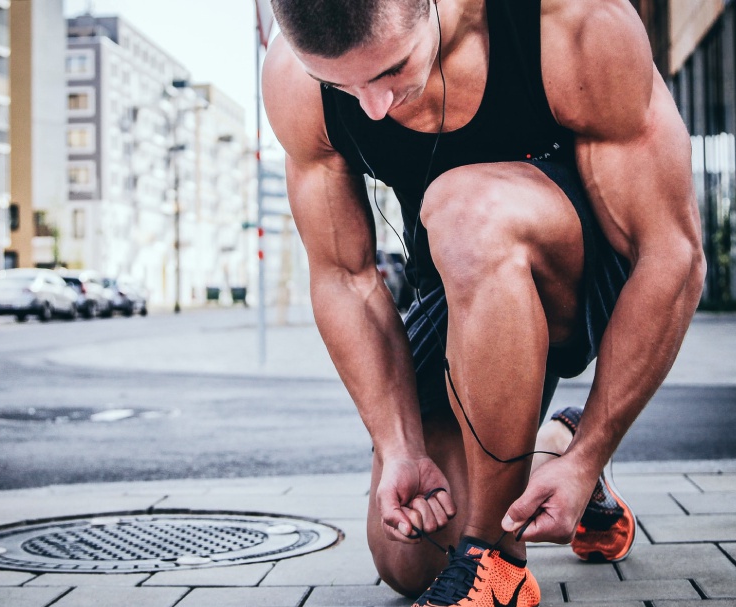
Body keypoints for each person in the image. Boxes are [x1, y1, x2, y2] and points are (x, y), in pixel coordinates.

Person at [261, 0, 706, 606]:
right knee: (409, 557)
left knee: (465, 207)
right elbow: (344, 276)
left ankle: (498, 565)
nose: (371, 106)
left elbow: (672, 255)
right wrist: (399, 445)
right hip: (460, 287)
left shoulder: (572, 22)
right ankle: (550, 443)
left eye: (392, 70)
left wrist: (593, 450)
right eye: (339, 84)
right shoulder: (293, 76)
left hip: (588, 275)